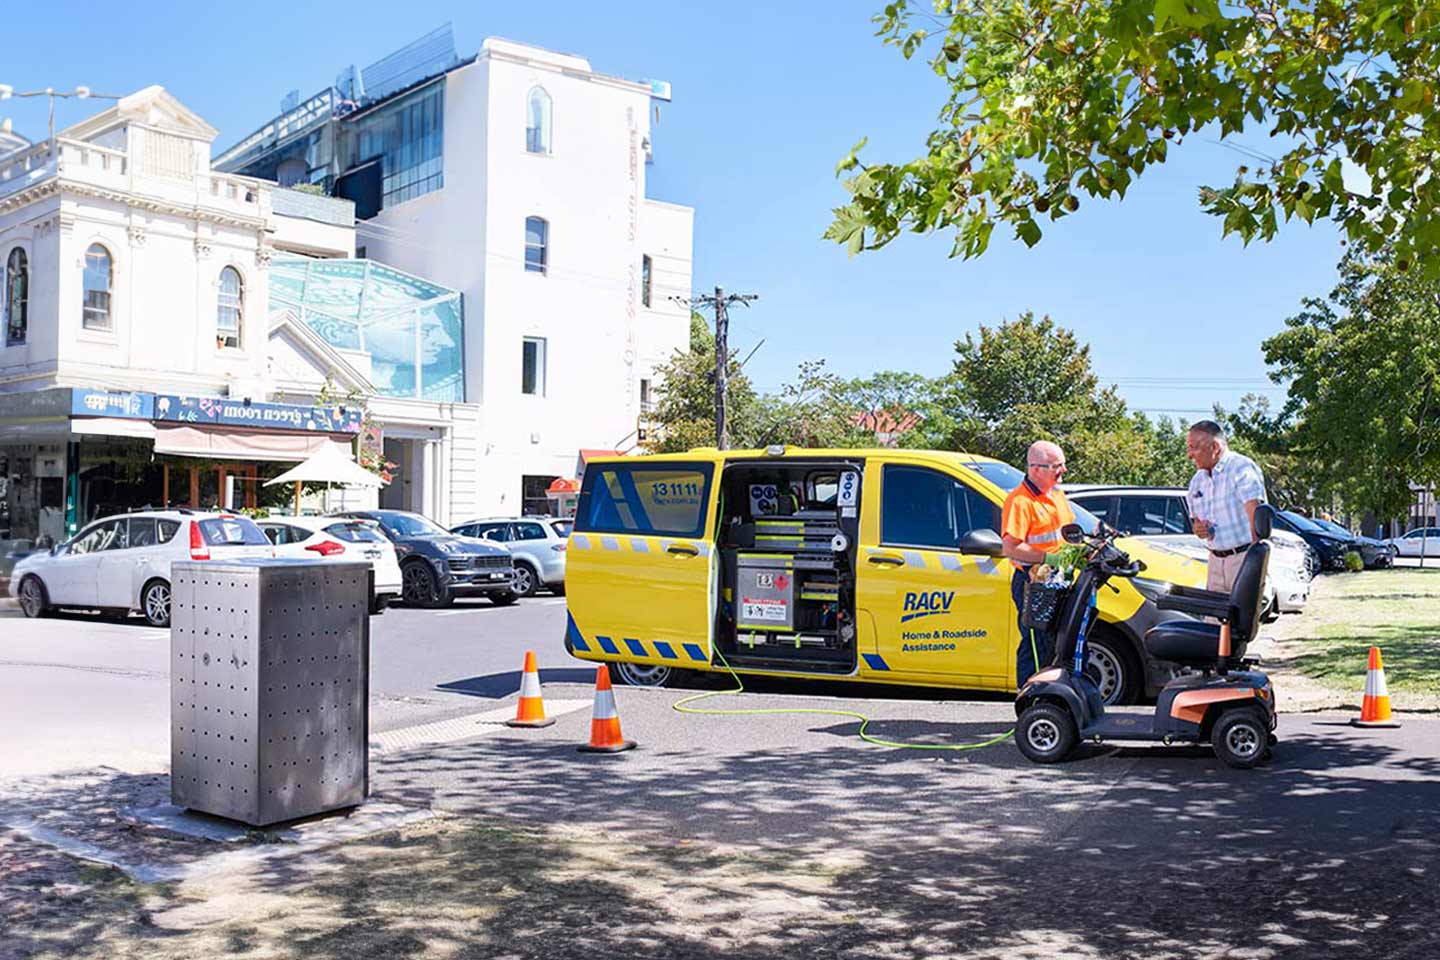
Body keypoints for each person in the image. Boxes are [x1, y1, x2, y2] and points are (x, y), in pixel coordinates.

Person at [1001, 440, 1076, 686]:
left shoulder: (1056, 494)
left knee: (1055, 648)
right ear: (1036, 469)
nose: (1062, 470)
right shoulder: (1020, 501)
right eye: (1057, 466)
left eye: (1063, 464)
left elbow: (1067, 535)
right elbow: (1011, 547)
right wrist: (1048, 558)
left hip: (1057, 581)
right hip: (1032, 584)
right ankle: (1029, 704)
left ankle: (1050, 702)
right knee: (1036, 647)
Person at [1185, 420, 1268, 593]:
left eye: (1194, 447)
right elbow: (1197, 524)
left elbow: (1255, 514)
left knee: (1241, 618)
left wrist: (1254, 563)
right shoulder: (1197, 481)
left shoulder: (1241, 468)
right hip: (1214, 561)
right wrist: (1199, 529)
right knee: (1213, 619)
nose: (1189, 455)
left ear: (1215, 447)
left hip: (1243, 559)